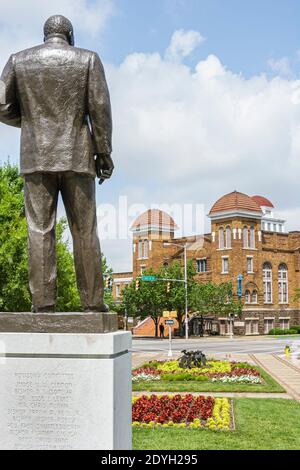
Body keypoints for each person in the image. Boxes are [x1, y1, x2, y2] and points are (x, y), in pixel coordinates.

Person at [0, 15, 114, 313]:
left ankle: (43, 304)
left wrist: (30, 124)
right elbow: (99, 108)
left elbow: (1, 104)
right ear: (70, 35)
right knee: (85, 230)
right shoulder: (88, 59)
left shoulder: (18, 60)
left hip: (36, 156)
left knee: (39, 230)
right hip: (77, 156)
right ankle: (92, 305)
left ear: (45, 35)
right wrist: (103, 152)